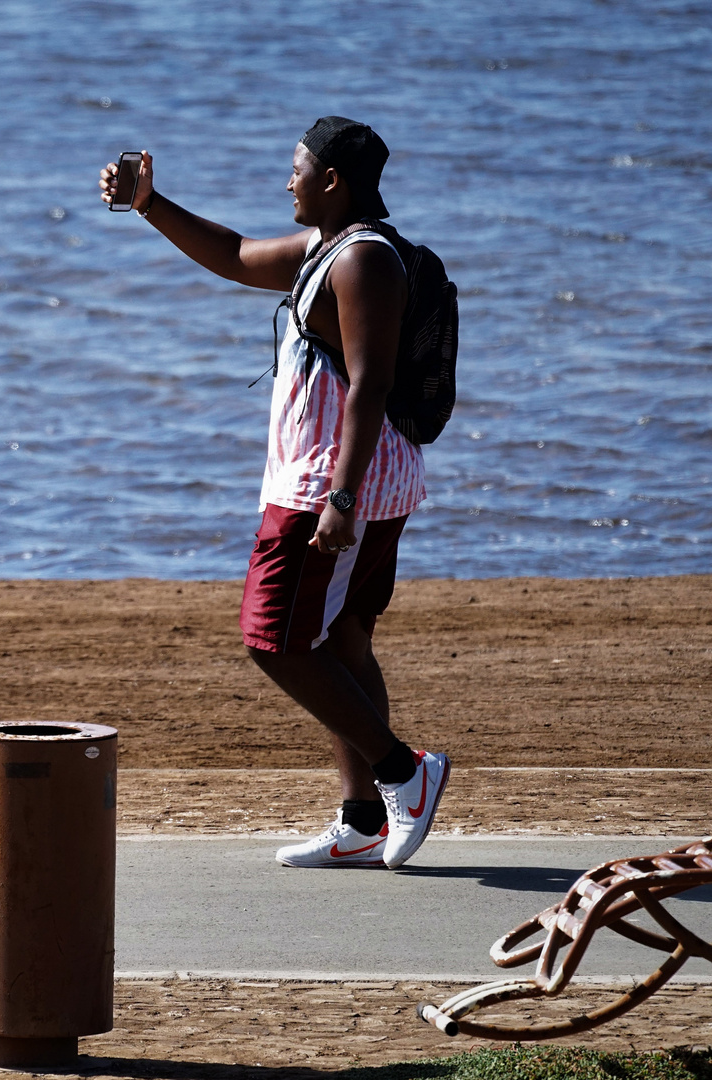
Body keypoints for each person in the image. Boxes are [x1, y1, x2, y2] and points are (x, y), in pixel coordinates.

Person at [99, 117, 448, 870]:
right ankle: (363, 822)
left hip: (334, 483)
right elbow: (231, 255)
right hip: (351, 479)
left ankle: (402, 774)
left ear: (332, 181)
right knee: (341, 643)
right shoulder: (324, 251)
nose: (285, 181)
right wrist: (150, 204)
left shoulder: (364, 263)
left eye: (296, 169)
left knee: (274, 639)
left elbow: (371, 384)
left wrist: (343, 500)